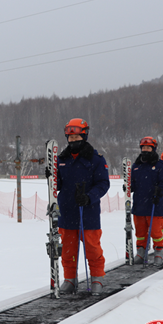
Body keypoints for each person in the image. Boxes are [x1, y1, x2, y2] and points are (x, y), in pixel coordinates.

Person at [51, 118, 110, 295]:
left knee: (92, 249)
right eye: (70, 137)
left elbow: (103, 183)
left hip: (88, 212)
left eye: (76, 137)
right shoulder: (62, 159)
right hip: (67, 211)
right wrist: (50, 176)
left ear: (84, 136)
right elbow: (58, 184)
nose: (73, 140)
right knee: (68, 250)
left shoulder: (96, 159)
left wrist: (89, 197)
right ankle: (70, 279)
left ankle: (97, 278)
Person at [130, 137, 163, 266]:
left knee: (155, 231)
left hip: (155, 204)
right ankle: (141, 252)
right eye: (143, 148)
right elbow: (132, 184)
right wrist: (128, 187)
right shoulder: (136, 166)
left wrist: (159, 193)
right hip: (139, 205)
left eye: (148, 148)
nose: (145, 150)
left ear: (153, 149)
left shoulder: (161, 165)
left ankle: (158, 252)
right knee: (140, 232)